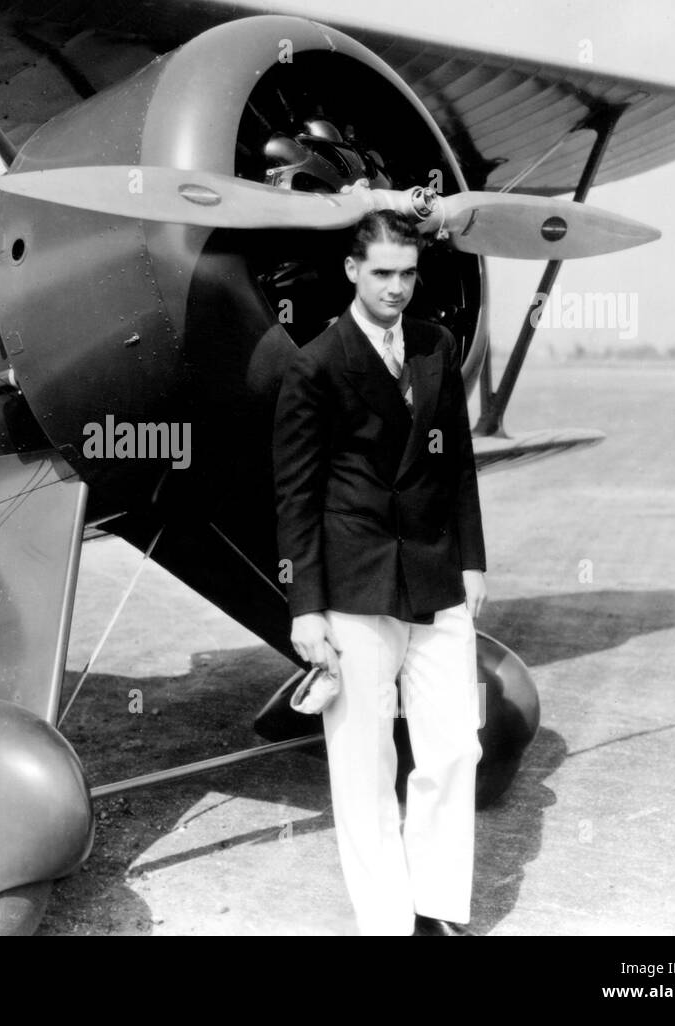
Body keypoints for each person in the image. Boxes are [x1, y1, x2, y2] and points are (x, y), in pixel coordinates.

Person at [272, 209, 487, 937]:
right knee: (363, 769)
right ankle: (390, 923)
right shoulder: (316, 365)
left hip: (434, 575)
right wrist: (305, 607)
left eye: (409, 273)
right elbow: (295, 496)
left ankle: (436, 907)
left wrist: (473, 560)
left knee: (455, 744)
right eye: (384, 273)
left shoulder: (435, 347)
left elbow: (456, 464)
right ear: (352, 271)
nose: (398, 288)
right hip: (355, 586)